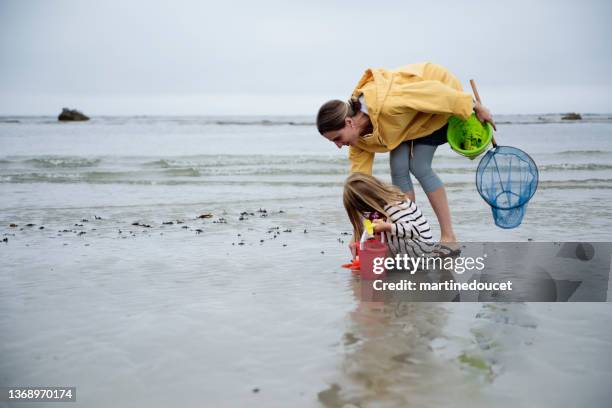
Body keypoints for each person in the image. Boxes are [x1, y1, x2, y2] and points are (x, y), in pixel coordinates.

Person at [317, 62, 495, 254]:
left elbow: (434, 93)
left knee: (419, 166)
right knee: (398, 167)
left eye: (337, 138)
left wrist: (475, 106)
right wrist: (358, 233)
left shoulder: (389, 104)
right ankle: (409, 238)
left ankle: (449, 237)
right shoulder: (358, 138)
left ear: (349, 122)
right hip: (404, 122)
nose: (338, 145)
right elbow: (360, 184)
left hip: (439, 98)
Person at [343, 172, 435, 258]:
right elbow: (365, 224)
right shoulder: (378, 206)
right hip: (406, 254)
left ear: (366, 204)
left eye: (362, 210)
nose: (364, 214)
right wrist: (356, 240)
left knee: (385, 231)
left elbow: (414, 230)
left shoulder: (395, 205)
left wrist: (387, 227)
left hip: (420, 254)